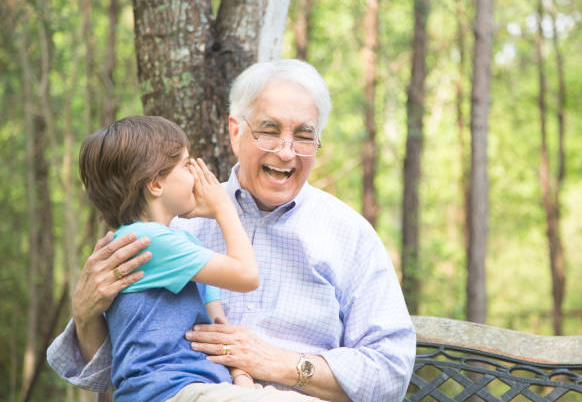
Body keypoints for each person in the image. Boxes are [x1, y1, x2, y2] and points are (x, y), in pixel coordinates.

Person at [47, 60, 416, 402]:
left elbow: (391, 373)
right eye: (269, 131)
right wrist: (84, 314)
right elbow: (113, 369)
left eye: (304, 136)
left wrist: (279, 364)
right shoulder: (171, 221)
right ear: (235, 131)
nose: (287, 152)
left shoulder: (349, 234)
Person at [74, 115, 322, 402]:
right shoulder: (146, 241)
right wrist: (223, 209)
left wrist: (244, 383)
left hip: (205, 389)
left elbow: (218, 329)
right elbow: (247, 275)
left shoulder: (184, 246)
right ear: (156, 184)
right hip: (168, 392)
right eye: (186, 163)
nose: (196, 172)